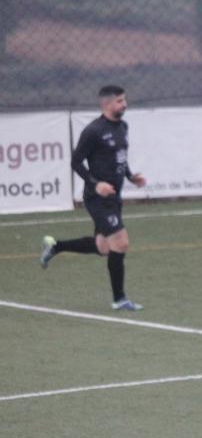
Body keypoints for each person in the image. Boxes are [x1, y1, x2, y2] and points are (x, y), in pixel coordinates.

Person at [40, 85, 147, 311]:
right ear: (106, 104)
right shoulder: (93, 131)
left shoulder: (123, 127)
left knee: (104, 247)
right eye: (119, 101)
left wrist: (130, 176)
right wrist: (95, 184)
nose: (124, 104)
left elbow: (120, 157)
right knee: (121, 242)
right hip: (97, 198)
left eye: (124, 100)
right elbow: (76, 162)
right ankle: (119, 299)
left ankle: (55, 247)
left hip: (114, 197)